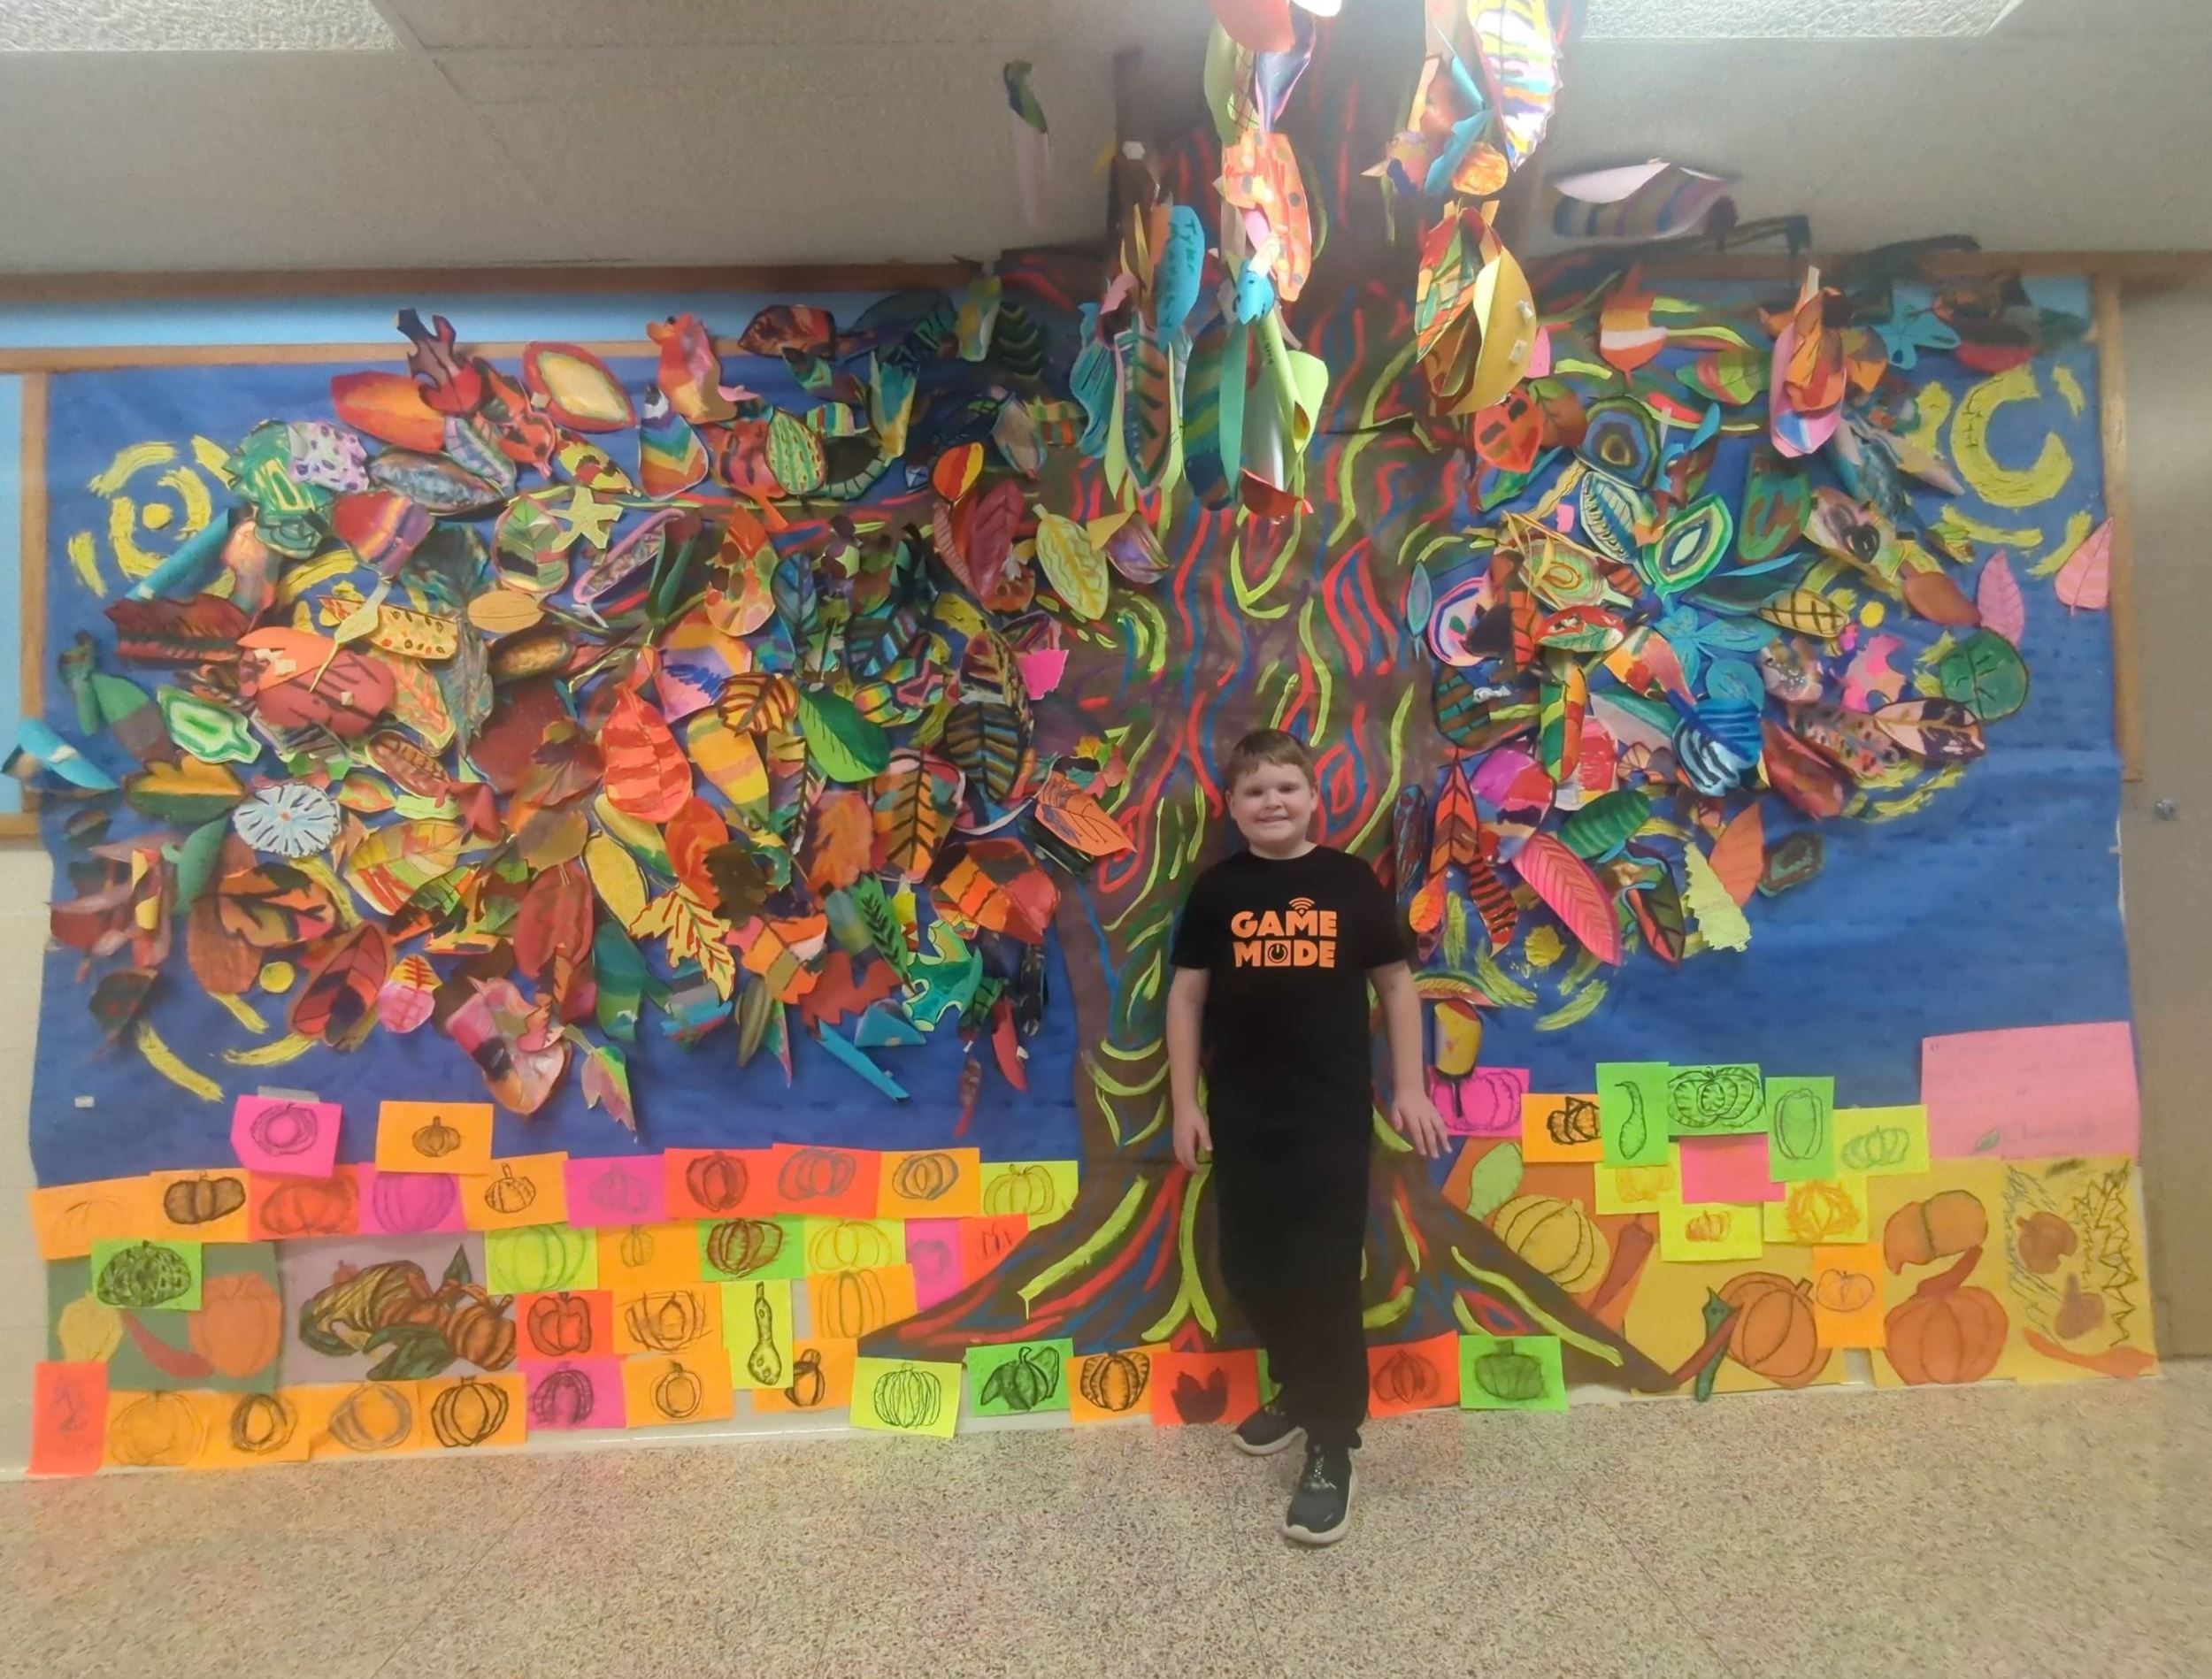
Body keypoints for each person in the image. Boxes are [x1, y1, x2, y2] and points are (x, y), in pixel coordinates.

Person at [1164, 728, 1448, 1546]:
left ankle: (1331, 1443)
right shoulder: (1219, 891)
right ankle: (1294, 1387)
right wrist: (1185, 1105)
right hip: (1243, 1117)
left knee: (1323, 1278)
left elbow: (1397, 986)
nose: (1273, 802)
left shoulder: (1348, 882)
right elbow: (1186, 999)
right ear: (1232, 806)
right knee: (1251, 1268)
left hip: (1330, 1120)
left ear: (1314, 798)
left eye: (1287, 787)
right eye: (1255, 791)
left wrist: (1409, 1087)